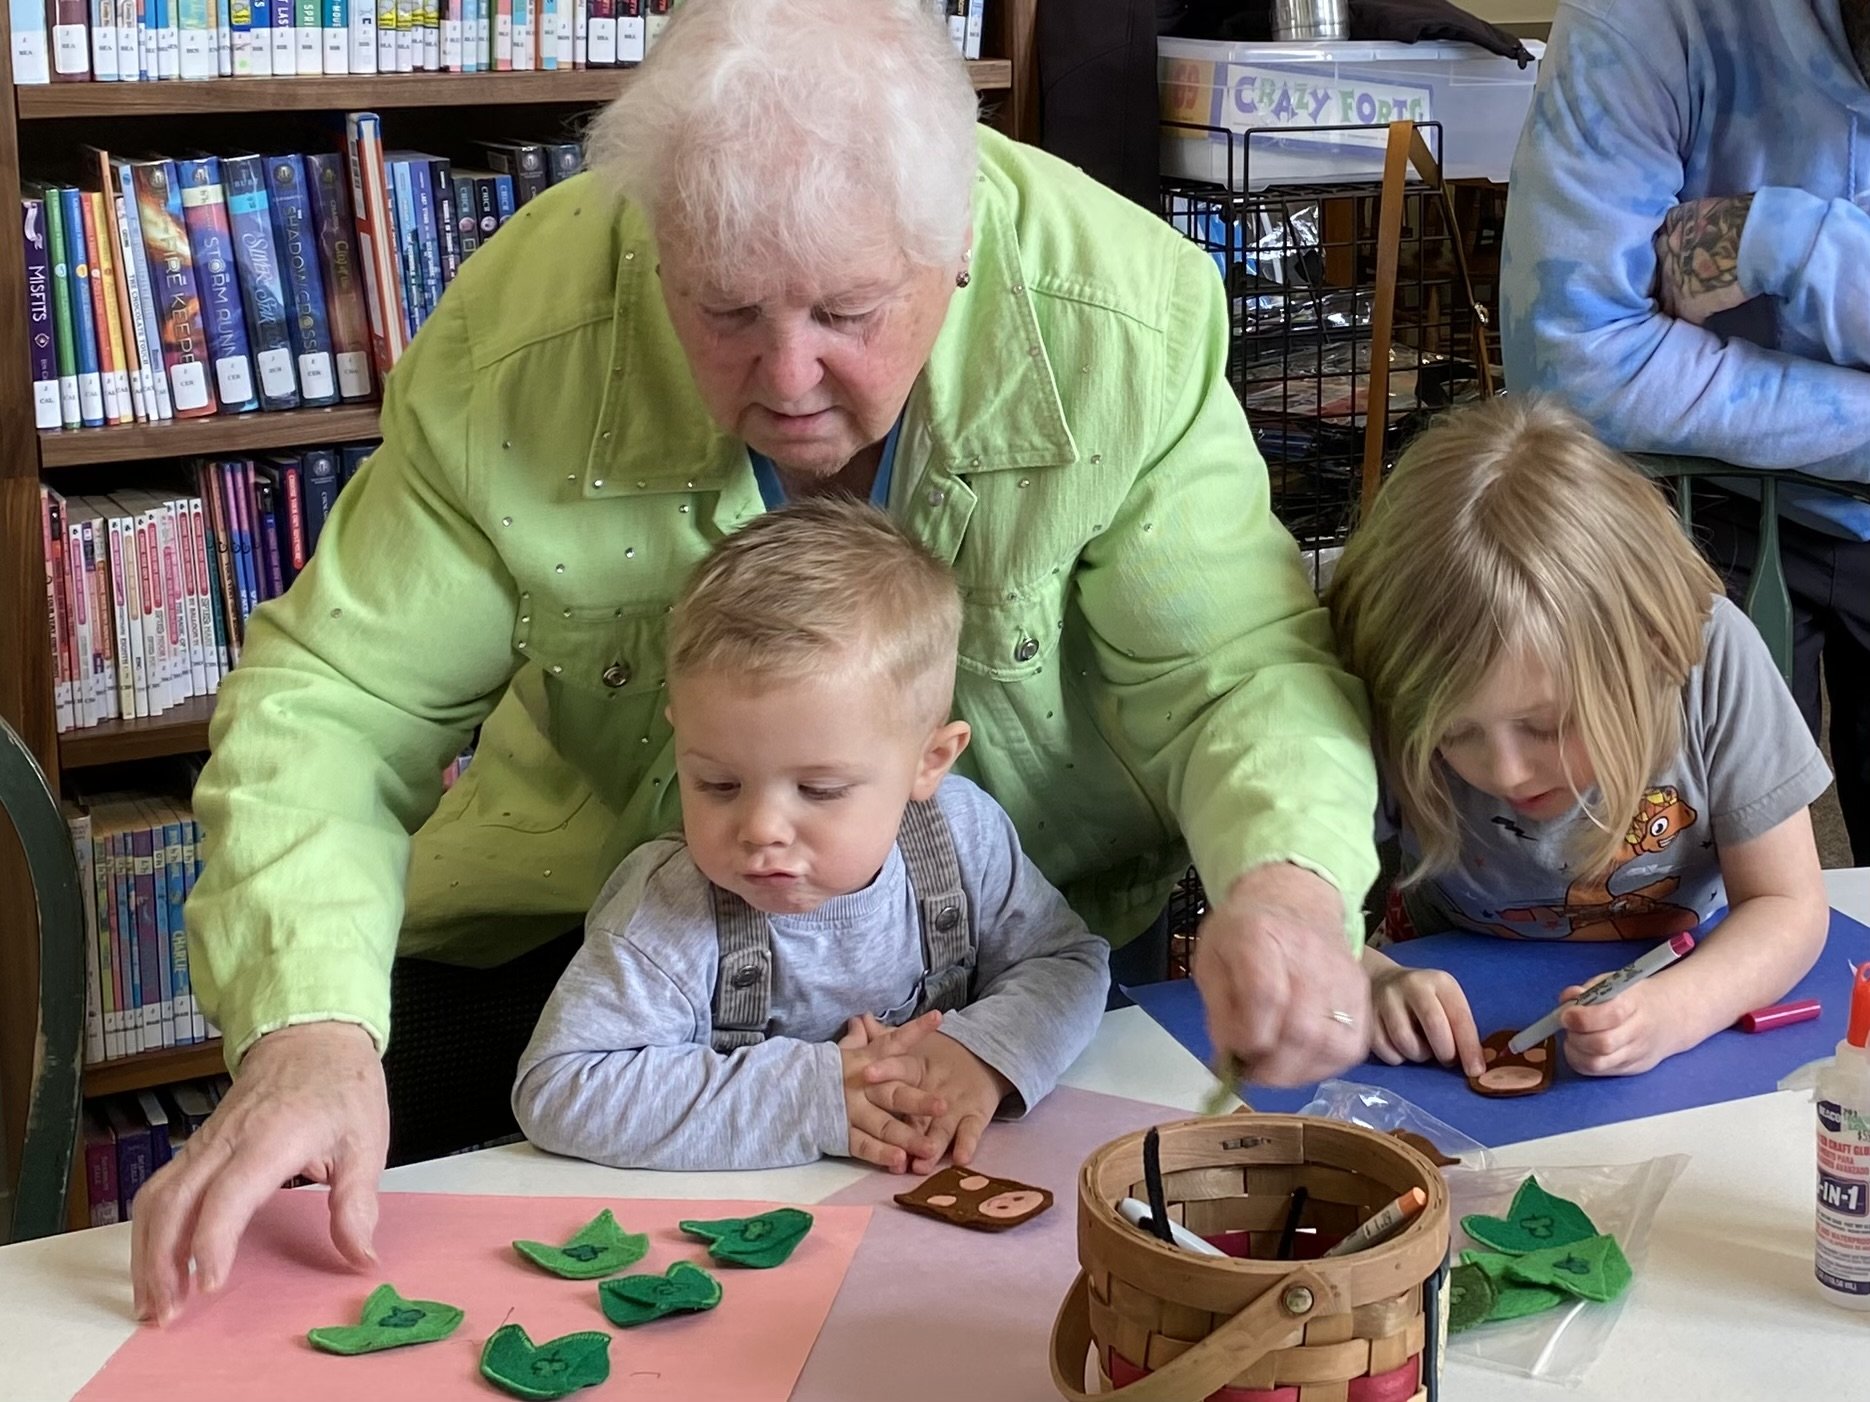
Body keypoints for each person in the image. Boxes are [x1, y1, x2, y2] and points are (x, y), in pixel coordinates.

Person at [134, 0, 1381, 1325]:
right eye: (723, 309)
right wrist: (308, 1028)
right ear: (650, 247)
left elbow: (1232, 669)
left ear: (956, 247)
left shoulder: (1123, 311)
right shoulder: (519, 330)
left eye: (847, 311)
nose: (787, 377)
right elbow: (337, 700)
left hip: (982, 976)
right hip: (588, 963)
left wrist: (1289, 884)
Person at [512, 499, 1109, 1173]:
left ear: (929, 763)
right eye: (717, 784)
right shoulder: (668, 908)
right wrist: (814, 1096)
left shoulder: (963, 839)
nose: (761, 830)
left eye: (820, 791)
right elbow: (560, 1087)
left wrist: (983, 1054)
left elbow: (1067, 963)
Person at [1327, 399, 1830, 1079]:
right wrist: (1367, 978)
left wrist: (1677, 1012)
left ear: (1647, 654)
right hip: (1446, 966)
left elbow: (1787, 905)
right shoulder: (1386, 678)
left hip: (1694, 965)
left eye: (1547, 725)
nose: (1505, 772)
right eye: (1453, 733)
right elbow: (1292, 911)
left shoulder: (1712, 660)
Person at [1500, 0, 1870, 865]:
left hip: (1708, 449)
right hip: (1689, 511)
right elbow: (1572, 369)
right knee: (1659, 883)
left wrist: (1787, 241)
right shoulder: (1644, 15)